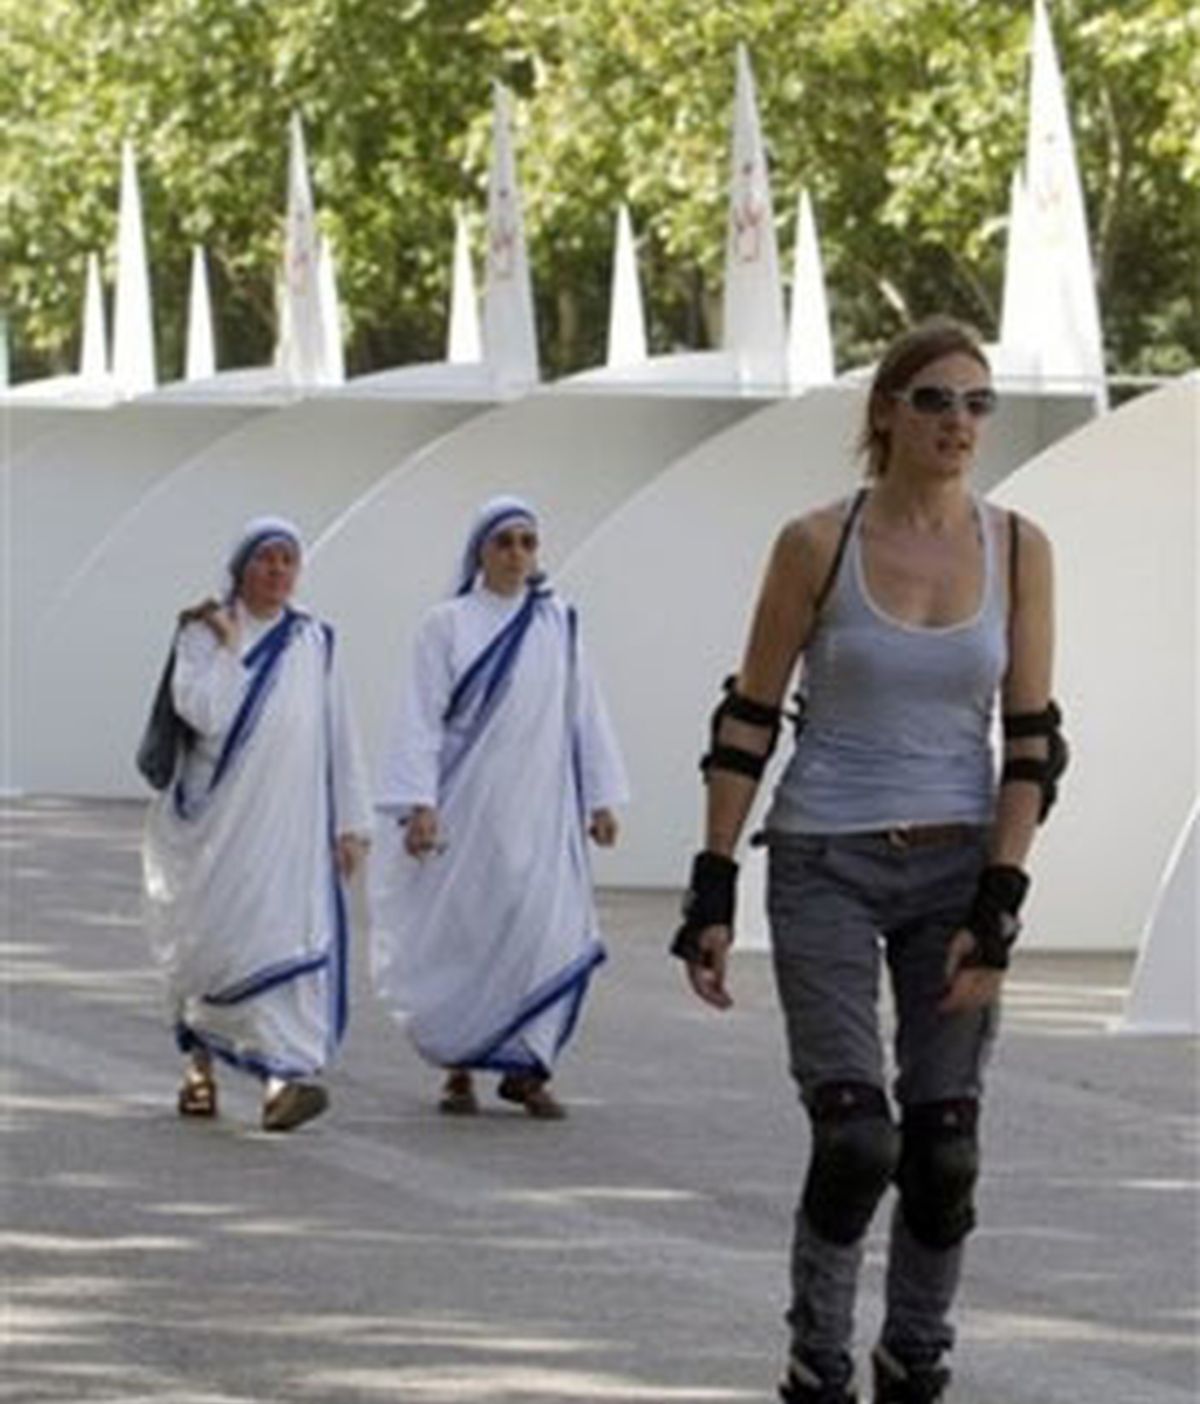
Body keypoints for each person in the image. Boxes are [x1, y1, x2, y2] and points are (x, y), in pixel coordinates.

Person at [671, 318, 1066, 1403]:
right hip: (825, 860)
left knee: (943, 1151)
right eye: (935, 400)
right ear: (885, 413)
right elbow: (748, 718)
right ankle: (818, 1360)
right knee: (857, 1143)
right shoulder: (816, 542)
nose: (959, 424)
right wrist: (713, 884)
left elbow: (1032, 743)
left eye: (977, 403)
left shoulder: (1021, 548)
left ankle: (915, 1359)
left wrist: (1001, 900)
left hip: (958, 863)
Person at [371, 495, 628, 1120]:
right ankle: (460, 1066)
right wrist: (419, 804)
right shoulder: (447, 624)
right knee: (470, 935)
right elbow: (419, 717)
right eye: (504, 543)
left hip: (542, 811)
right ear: (480, 552)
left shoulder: (558, 622)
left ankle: (528, 1068)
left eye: (527, 543)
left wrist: (601, 796)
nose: (517, 555)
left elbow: (583, 712)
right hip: (469, 811)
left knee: (546, 933)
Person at [143, 516, 372, 1133]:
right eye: (265, 560)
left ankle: (282, 1081)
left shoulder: (314, 641)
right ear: (242, 567)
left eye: (287, 561)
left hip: (291, 831)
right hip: (219, 830)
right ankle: (200, 1069)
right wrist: (227, 642)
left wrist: (350, 823)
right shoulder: (204, 633)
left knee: (283, 944)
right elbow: (207, 713)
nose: (277, 572)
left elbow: (339, 735)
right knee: (211, 946)